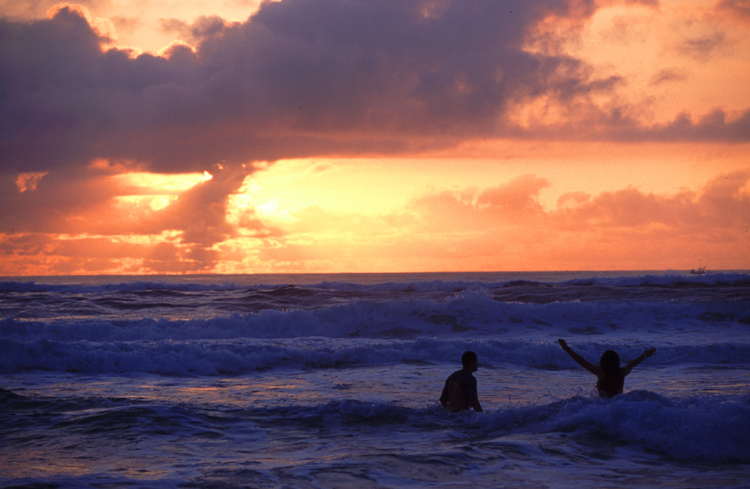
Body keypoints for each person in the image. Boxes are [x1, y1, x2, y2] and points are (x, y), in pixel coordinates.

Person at [558, 339, 656, 398]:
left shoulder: (601, 372)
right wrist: (644, 355)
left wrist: (567, 349)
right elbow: (633, 363)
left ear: (603, 360)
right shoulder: (622, 372)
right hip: (618, 404)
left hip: (604, 406)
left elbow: (582, 361)